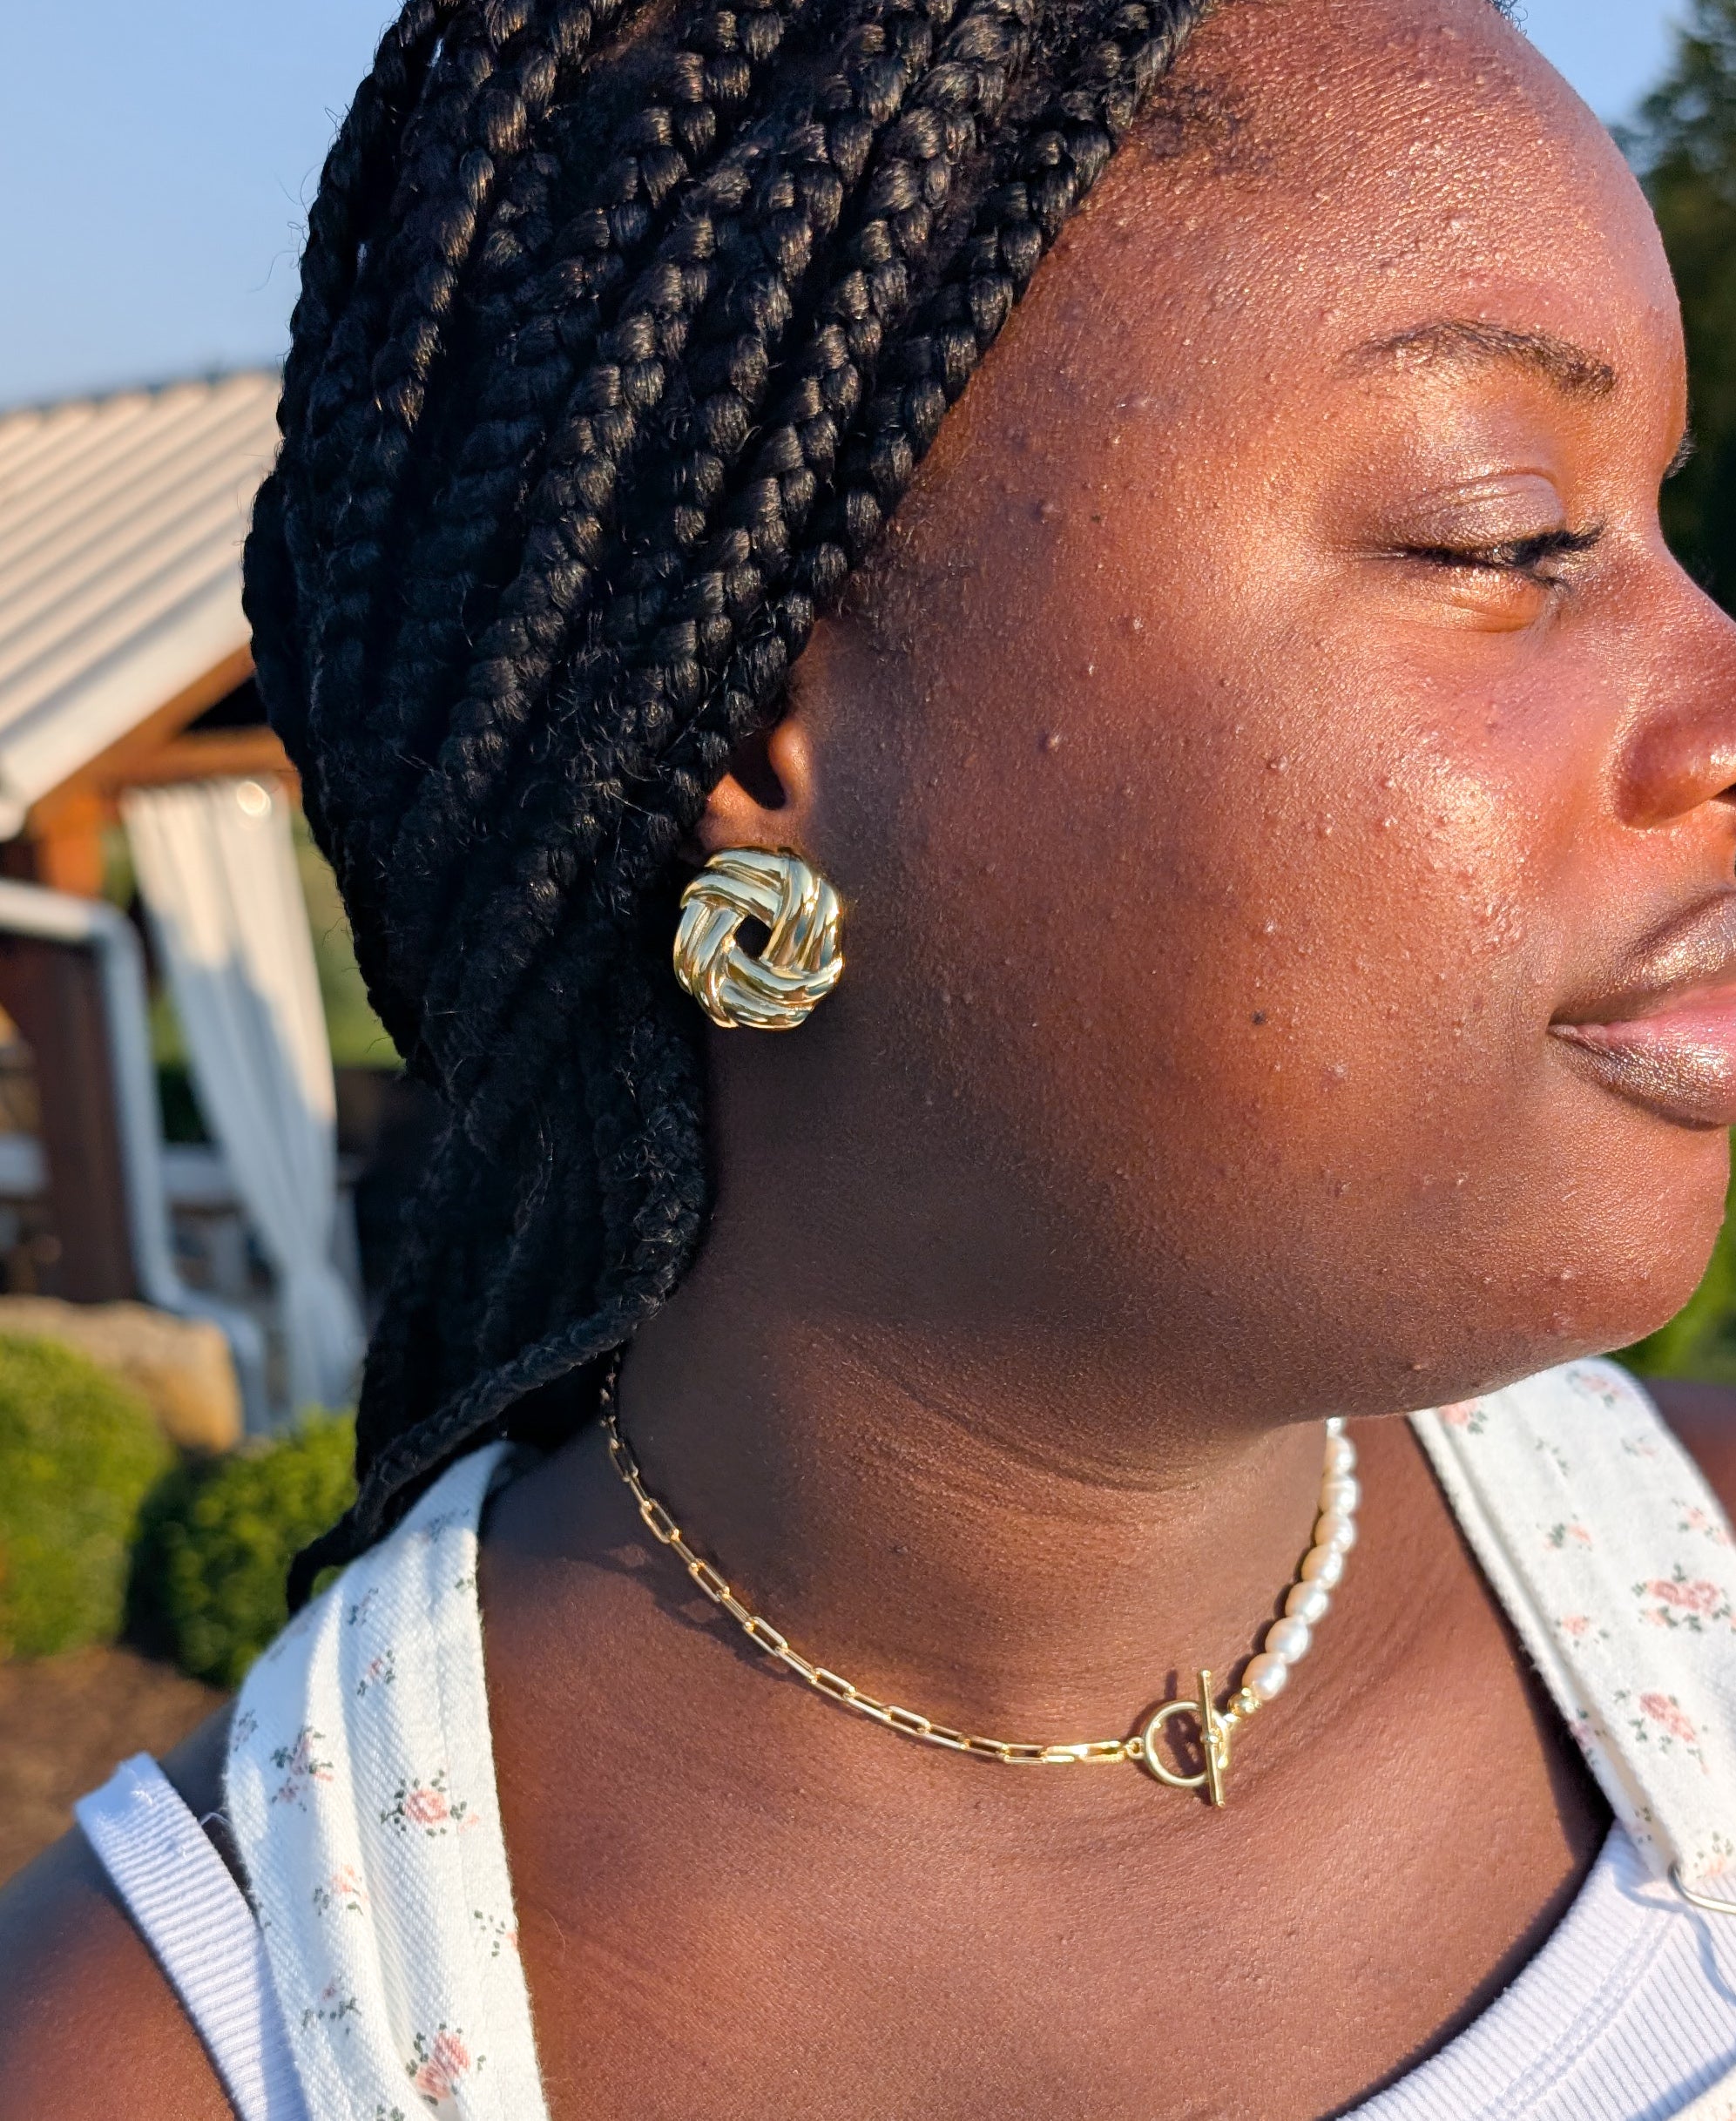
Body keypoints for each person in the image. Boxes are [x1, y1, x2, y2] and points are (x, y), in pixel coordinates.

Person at [8, 0, 1736, 2112]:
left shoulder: (1703, 1600)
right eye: (1500, 535)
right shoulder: (200, 2053)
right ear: (756, 731)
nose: (1705, 691)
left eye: (1654, 524)